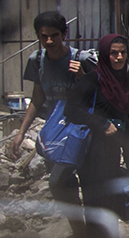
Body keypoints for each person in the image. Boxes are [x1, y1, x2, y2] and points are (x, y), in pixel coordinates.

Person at [62, 34, 129, 238]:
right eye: (114, 53)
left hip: (112, 153)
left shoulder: (122, 81)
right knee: (96, 201)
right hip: (92, 152)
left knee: (111, 201)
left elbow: (125, 122)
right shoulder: (93, 80)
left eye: (123, 53)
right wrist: (101, 123)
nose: (119, 57)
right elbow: (71, 110)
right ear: (105, 54)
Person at [7, 12, 91, 159]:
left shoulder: (81, 59)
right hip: (54, 129)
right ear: (38, 36)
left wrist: (82, 76)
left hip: (81, 129)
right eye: (44, 36)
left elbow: (98, 95)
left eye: (55, 35)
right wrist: (21, 134)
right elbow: (37, 99)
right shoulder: (37, 60)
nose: (49, 41)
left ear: (64, 34)